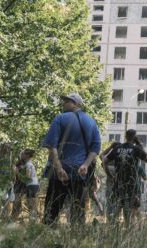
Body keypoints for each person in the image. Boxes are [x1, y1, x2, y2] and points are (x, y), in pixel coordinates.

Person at [42, 93, 101, 225]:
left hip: (59, 174)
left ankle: (47, 237)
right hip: (79, 172)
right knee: (78, 209)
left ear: (76, 104)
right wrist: (85, 165)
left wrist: (59, 168)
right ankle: (77, 237)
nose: (64, 103)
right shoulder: (91, 121)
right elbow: (95, 148)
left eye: (67, 101)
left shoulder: (60, 119)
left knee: (52, 209)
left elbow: (52, 146)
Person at [104, 129, 147, 225]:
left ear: (125, 136)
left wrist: (109, 175)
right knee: (132, 205)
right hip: (131, 183)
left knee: (121, 204)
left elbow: (105, 162)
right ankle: (128, 226)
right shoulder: (136, 149)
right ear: (135, 137)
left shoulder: (117, 148)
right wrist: (141, 146)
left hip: (119, 182)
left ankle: (112, 225)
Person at [12, 149, 39, 220]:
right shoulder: (27, 164)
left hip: (32, 186)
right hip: (31, 186)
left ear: (27, 156)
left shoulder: (28, 164)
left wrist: (17, 172)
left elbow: (27, 178)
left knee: (31, 205)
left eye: (23, 154)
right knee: (31, 204)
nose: (21, 155)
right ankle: (32, 221)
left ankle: (33, 221)